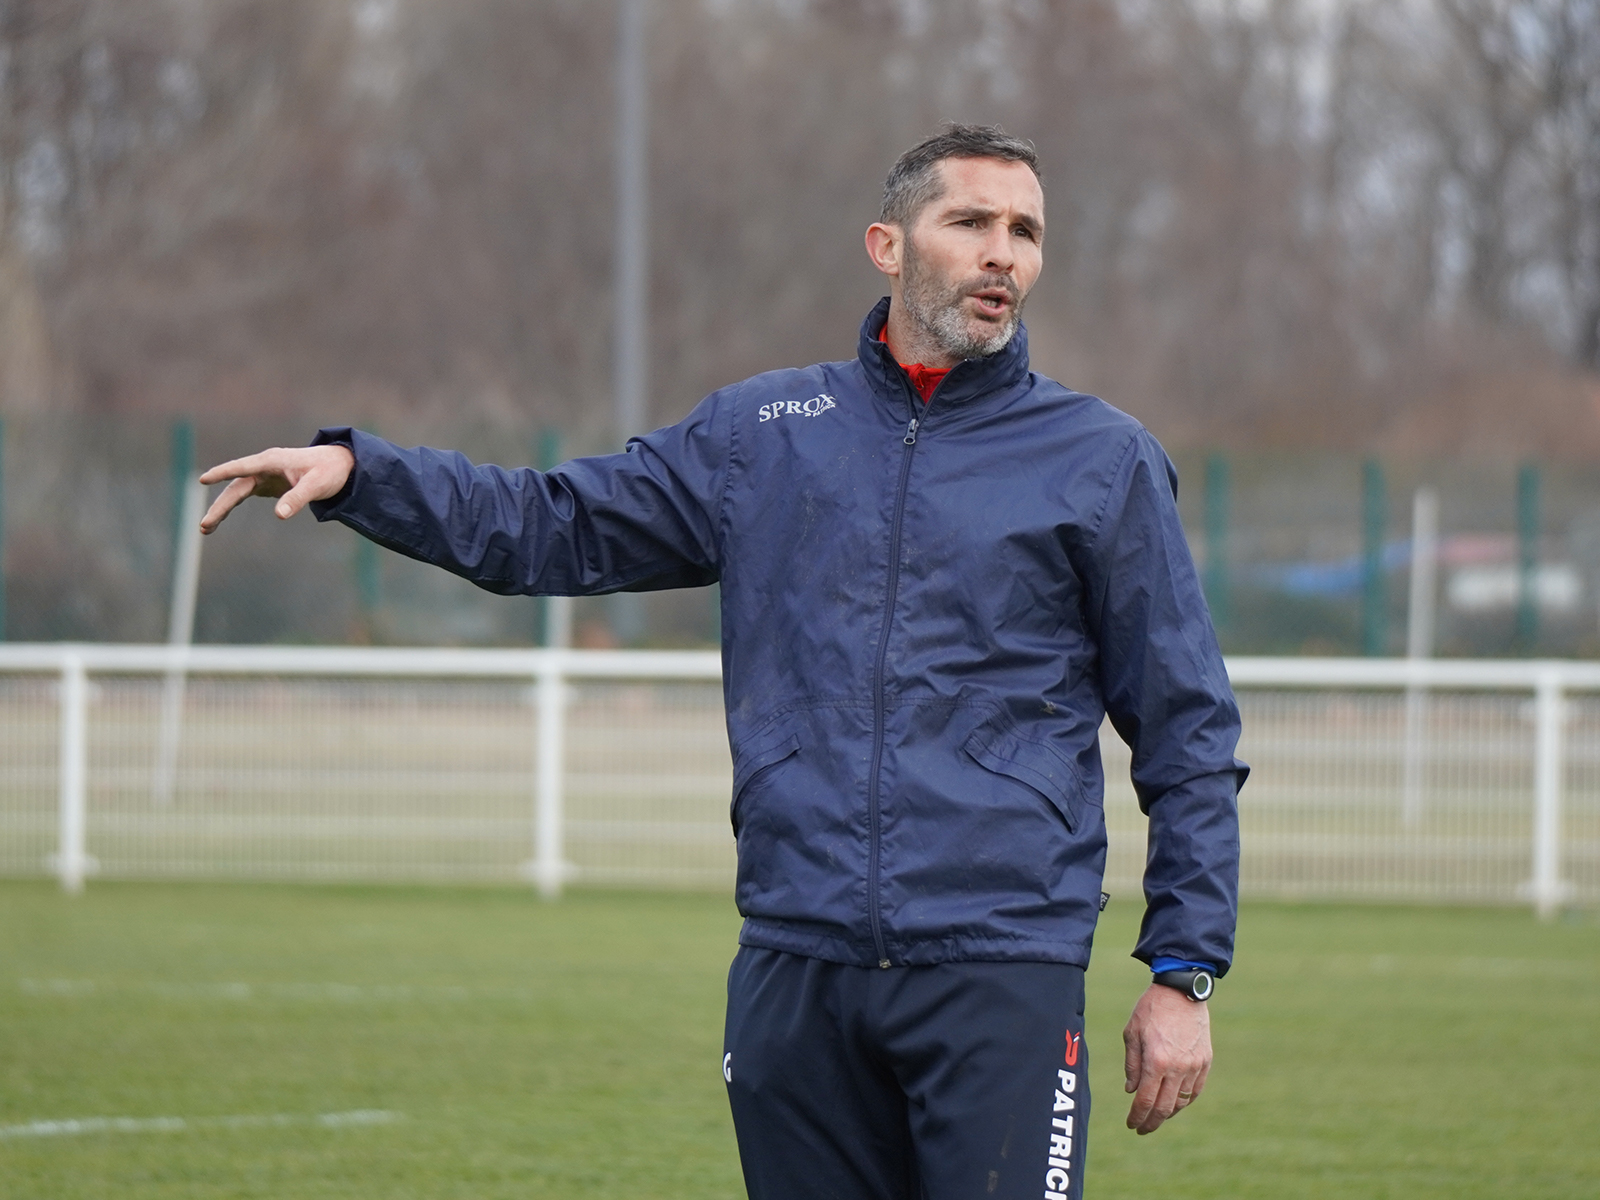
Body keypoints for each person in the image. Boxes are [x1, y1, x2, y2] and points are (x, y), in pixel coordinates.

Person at [200, 124, 1245, 1200]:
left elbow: (1186, 730)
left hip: (998, 970)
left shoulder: (1098, 458)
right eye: (970, 221)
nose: (1002, 253)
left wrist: (1183, 972)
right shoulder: (764, 433)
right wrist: (362, 474)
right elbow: (549, 524)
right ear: (886, 246)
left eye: (1024, 230)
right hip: (796, 965)